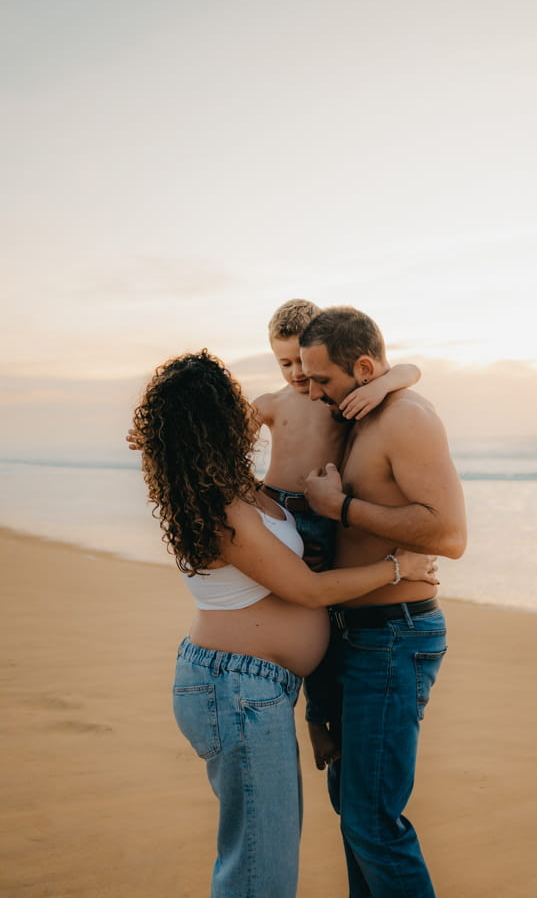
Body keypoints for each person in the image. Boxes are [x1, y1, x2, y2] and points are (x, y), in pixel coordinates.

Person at [131, 349, 439, 898]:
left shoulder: (237, 487)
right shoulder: (219, 504)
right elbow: (307, 590)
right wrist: (398, 566)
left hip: (252, 688)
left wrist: (398, 376)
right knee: (260, 876)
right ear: (217, 419)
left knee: (262, 864)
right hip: (236, 688)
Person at [300, 307, 467, 898]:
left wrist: (337, 509)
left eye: (322, 379)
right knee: (355, 814)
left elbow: (448, 535)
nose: (311, 390)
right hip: (355, 635)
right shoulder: (361, 410)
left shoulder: (407, 419)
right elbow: (403, 370)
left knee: (373, 821)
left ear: (364, 367)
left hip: (394, 636)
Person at [254, 298, 421, 767]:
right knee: (291, 610)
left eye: (302, 363)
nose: (296, 374)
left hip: (322, 514)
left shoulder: (341, 396)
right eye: (283, 363)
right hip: (278, 510)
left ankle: (321, 715)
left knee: (322, 617)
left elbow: (408, 369)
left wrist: (383, 383)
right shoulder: (274, 403)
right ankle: (308, 718)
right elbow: (222, 433)